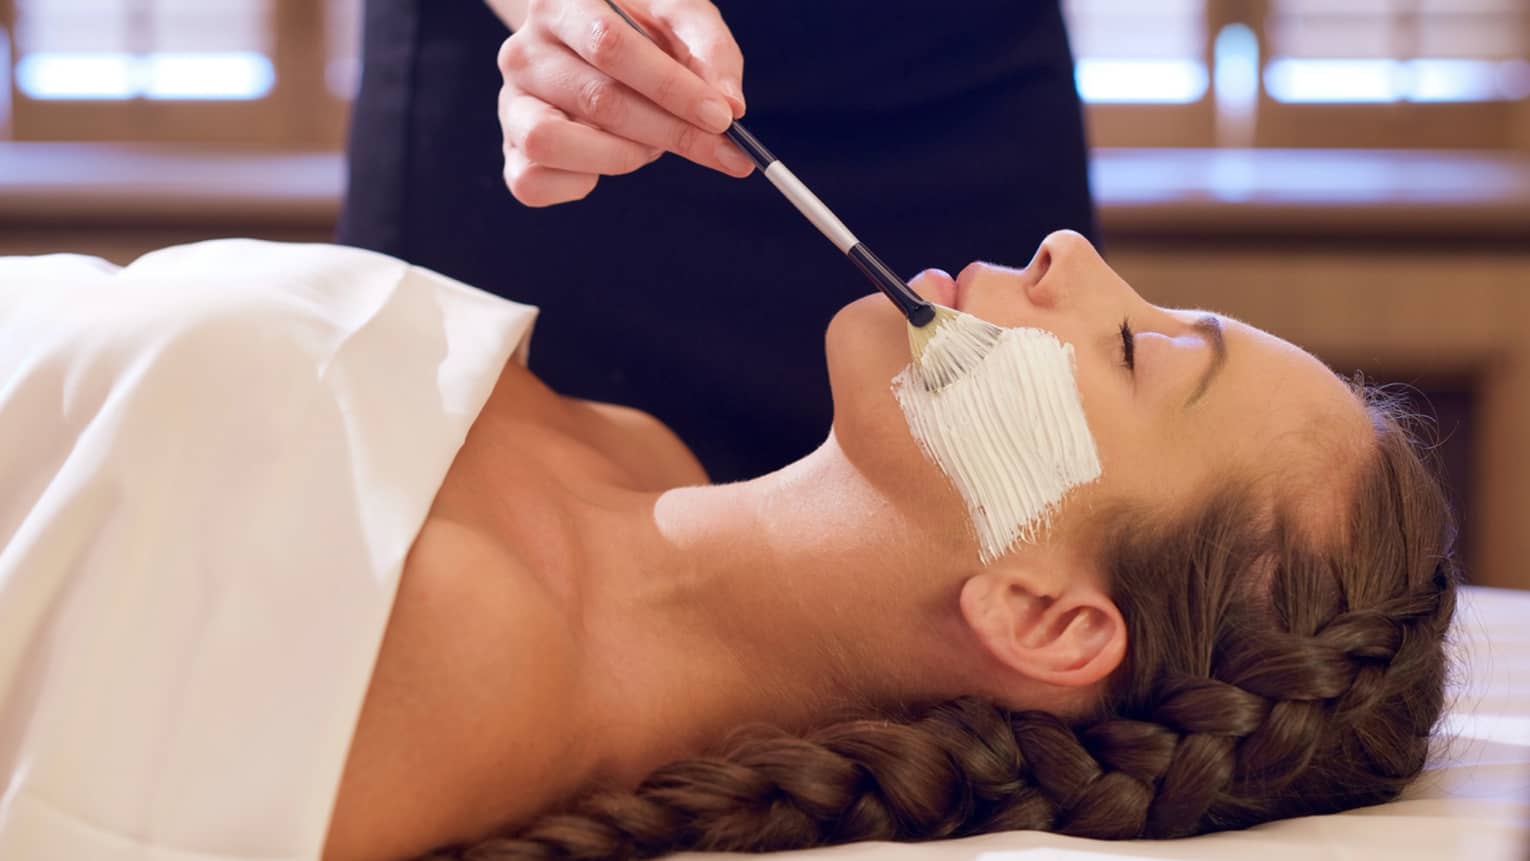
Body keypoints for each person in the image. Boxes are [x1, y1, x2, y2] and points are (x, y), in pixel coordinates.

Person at [0, 231, 1457, 861]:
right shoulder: (634, 455)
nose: (1069, 253)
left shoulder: (450, 653)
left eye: (1135, 350)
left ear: (1044, 616)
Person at [340, 0, 1098, 483]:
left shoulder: (1009, 286)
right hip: (577, 78)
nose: (1072, 260)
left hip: (959, 80)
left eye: (1140, 343)